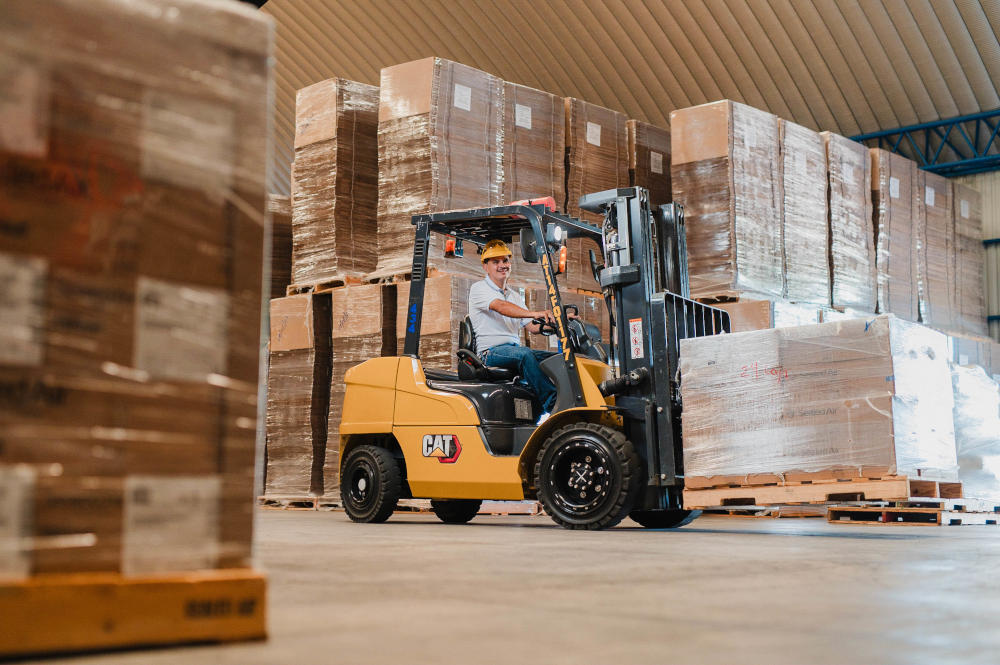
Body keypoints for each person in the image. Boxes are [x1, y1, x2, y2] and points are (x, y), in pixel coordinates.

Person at [468, 239, 558, 416]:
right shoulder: (478, 289)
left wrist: (555, 322)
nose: (502, 265)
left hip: (512, 351)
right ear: (485, 267)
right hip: (490, 353)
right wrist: (534, 312)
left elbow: (531, 326)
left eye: (505, 261)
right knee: (525, 355)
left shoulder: (514, 295)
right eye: (496, 262)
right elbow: (500, 306)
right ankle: (554, 405)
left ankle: (568, 398)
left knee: (558, 359)